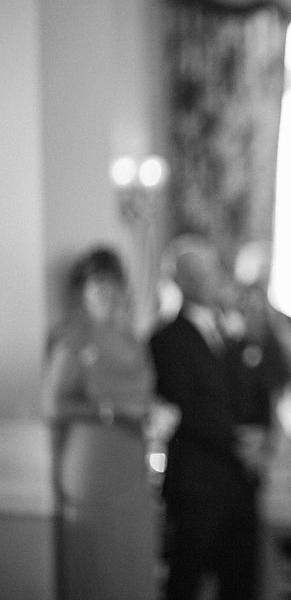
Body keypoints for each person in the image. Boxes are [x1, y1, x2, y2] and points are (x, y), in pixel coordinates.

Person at [42, 246, 159, 599]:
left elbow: (140, 395)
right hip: (92, 468)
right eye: (97, 284)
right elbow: (53, 405)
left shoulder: (130, 338)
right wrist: (111, 411)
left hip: (131, 466)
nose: (107, 292)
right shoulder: (73, 338)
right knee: (97, 571)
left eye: (113, 283)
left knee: (132, 566)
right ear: (82, 291)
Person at [149, 235, 262, 599]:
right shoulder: (165, 338)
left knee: (240, 581)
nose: (213, 279)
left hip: (239, 481)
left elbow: (249, 394)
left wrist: (261, 435)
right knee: (187, 578)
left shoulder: (231, 332)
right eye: (201, 272)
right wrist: (239, 440)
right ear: (180, 280)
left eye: (213, 270)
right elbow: (186, 405)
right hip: (196, 480)